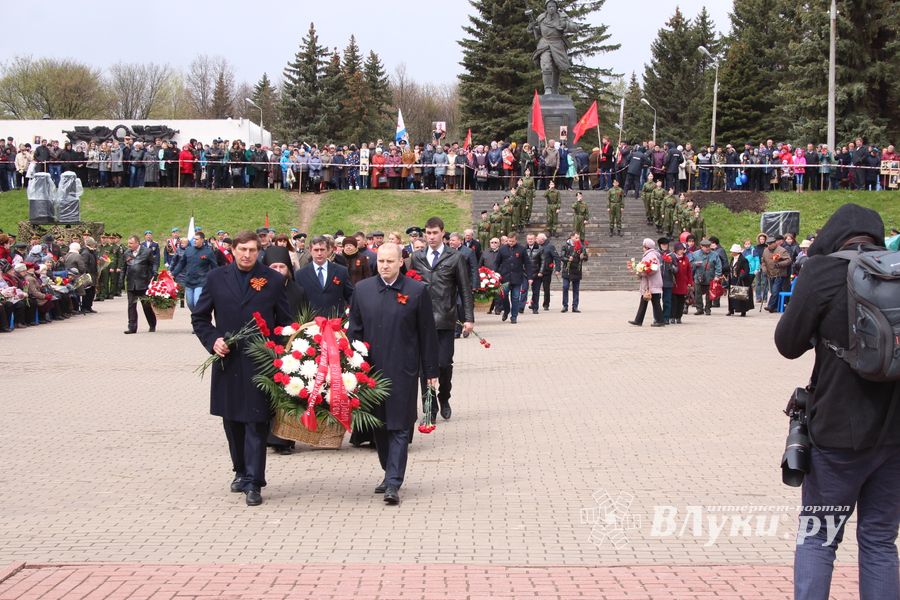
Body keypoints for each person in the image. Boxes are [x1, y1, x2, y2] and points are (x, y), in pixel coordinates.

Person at [774, 204, 900, 600]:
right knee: (880, 540)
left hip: (836, 431)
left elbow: (787, 343)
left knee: (819, 537)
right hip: (895, 433)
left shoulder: (823, 271)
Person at [192, 231, 291, 507]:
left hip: (260, 363)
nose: (247, 255)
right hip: (228, 361)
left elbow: (285, 322)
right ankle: (239, 470)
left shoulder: (273, 280)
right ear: (233, 250)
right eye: (242, 249)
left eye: (253, 250)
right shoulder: (216, 278)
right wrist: (213, 341)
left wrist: (276, 352)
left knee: (256, 421)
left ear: (260, 251)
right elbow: (199, 317)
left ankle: (254, 481)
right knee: (232, 420)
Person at [347, 243, 439, 505]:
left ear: (401, 262)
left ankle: (394, 482)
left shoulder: (417, 291)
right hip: (370, 372)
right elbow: (355, 330)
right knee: (379, 426)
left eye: (390, 261)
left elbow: (427, 334)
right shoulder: (363, 290)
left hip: (403, 370)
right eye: (380, 261)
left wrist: (430, 371)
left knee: (399, 425)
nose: (384, 265)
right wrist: (351, 366)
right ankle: (389, 471)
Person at [410, 217, 474, 421]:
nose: (431, 237)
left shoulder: (455, 258)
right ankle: (429, 408)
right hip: (420, 320)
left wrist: (469, 318)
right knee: (424, 367)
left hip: (445, 319)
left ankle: (444, 396)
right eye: (427, 233)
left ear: (443, 233)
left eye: (434, 233)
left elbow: (465, 289)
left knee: (444, 364)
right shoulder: (417, 257)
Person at [295, 236, 354, 317]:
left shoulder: (341, 271)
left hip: (336, 322)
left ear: (328, 250)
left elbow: (350, 295)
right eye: (316, 250)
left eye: (322, 250)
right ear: (310, 250)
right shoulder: (300, 275)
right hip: (311, 324)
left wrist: (352, 312)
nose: (319, 253)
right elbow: (297, 301)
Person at [170, 232, 217, 311]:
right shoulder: (188, 250)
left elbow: (214, 267)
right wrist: (173, 274)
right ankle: (197, 317)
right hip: (189, 281)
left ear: (202, 240)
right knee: (190, 303)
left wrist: (216, 279)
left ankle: (199, 318)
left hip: (201, 281)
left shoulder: (208, 252)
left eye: (197, 239)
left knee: (196, 302)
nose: (194, 241)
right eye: (194, 239)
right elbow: (181, 264)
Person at [123, 235, 158, 334]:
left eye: (131, 243)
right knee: (131, 306)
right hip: (131, 283)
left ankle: (152, 324)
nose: (129, 245)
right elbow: (123, 268)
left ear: (137, 243)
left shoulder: (147, 252)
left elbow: (154, 263)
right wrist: (120, 282)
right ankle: (132, 327)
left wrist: (154, 271)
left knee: (146, 306)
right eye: (128, 243)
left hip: (143, 283)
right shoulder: (126, 253)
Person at [495, 232, 533, 324]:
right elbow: (497, 262)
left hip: (517, 278)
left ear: (516, 240)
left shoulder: (522, 249)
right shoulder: (502, 249)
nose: (510, 243)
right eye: (509, 241)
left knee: (515, 298)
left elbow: (527, 264)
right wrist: (494, 274)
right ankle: (506, 311)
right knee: (503, 296)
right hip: (505, 278)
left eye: (512, 241)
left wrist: (530, 277)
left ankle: (514, 316)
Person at [628, 238, 664, 327]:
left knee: (655, 302)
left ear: (646, 247)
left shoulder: (651, 255)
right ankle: (638, 320)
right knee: (645, 301)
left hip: (652, 284)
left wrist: (642, 272)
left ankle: (659, 321)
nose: (642, 248)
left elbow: (654, 268)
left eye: (643, 246)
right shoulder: (650, 255)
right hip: (650, 283)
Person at [691, 239, 722, 316]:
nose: (708, 248)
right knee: (698, 294)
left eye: (709, 246)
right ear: (701, 246)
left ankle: (708, 309)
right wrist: (695, 264)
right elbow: (690, 265)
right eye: (706, 247)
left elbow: (718, 266)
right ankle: (699, 309)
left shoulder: (715, 254)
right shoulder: (695, 254)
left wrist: (717, 275)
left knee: (709, 295)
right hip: (698, 277)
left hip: (710, 277)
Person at [762, 236, 792, 313]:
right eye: (768, 244)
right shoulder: (765, 251)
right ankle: (775, 307)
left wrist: (780, 264)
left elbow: (788, 260)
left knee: (775, 291)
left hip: (779, 274)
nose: (769, 245)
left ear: (775, 243)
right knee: (773, 291)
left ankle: (770, 306)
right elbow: (763, 262)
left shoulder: (782, 250)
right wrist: (764, 269)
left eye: (771, 243)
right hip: (770, 274)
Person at [560, 232, 587, 313]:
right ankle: (565, 306)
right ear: (571, 237)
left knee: (576, 289)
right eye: (576, 238)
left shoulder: (581, 247)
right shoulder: (565, 246)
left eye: (578, 238)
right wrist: (568, 259)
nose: (577, 239)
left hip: (576, 271)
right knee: (565, 287)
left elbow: (586, 257)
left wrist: (583, 257)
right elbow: (562, 257)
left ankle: (575, 306)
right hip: (567, 270)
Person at [726, 244, 754, 317]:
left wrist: (742, 276)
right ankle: (731, 310)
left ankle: (743, 311)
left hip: (740, 279)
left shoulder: (743, 260)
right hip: (732, 278)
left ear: (736, 252)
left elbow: (746, 270)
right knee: (731, 295)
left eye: (732, 251)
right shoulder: (733, 259)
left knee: (740, 295)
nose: (731, 253)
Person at [670, 242, 693, 324]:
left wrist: (690, 282)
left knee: (681, 302)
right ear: (675, 250)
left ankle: (679, 317)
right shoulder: (672, 258)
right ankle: (672, 316)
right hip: (674, 284)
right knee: (673, 301)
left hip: (683, 284)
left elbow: (689, 272)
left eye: (682, 249)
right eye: (680, 250)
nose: (681, 251)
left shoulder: (686, 259)